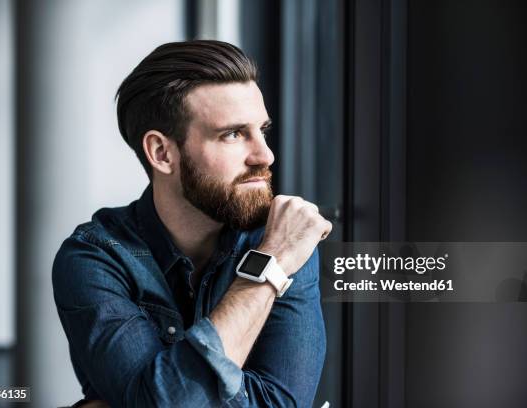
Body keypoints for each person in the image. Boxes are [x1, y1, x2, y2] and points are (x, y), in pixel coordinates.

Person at [52, 40, 332, 408]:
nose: (265, 154)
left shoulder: (282, 238)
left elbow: (279, 403)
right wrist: (268, 269)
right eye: (233, 134)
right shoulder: (95, 258)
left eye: (262, 129)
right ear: (162, 153)